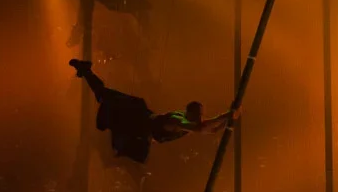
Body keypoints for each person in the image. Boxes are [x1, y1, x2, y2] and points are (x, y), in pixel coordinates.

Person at [69, 59, 228, 164]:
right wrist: (227, 115)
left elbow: (210, 129)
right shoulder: (177, 121)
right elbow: (202, 129)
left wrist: (229, 119)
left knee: (103, 95)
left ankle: (86, 72)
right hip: (136, 119)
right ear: (190, 114)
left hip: (140, 125)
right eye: (198, 116)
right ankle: (86, 71)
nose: (200, 119)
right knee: (104, 97)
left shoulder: (189, 123)